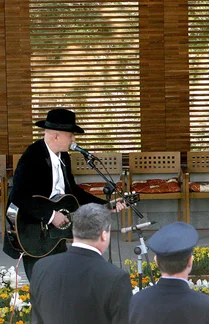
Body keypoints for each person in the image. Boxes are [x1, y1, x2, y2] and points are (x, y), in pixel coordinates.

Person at [3, 108, 124, 281]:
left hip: (56, 234)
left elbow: (73, 192)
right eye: (71, 135)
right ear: (56, 136)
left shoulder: (64, 157)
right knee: (42, 285)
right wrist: (51, 216)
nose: (74, 139)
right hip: (32, 231)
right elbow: (18, 195)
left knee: (61, 281)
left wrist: (106, 205)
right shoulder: (33, 156)